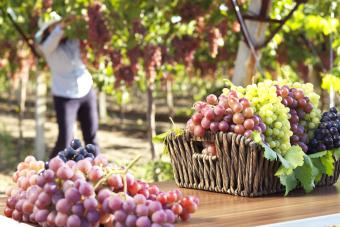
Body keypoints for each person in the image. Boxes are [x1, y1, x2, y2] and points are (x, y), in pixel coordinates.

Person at [35, 11, 99, 159]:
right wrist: (62, 25)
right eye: (54, 26)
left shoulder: (72, 40)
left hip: (86, 90)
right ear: (48, 30)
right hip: (65, 96)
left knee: (92, 139)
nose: (60, 28)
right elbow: (55, 37)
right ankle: (48, 173)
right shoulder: (46, 47)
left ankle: (96, 175)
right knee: (65, 140)